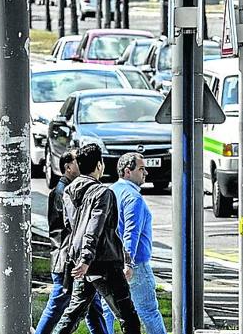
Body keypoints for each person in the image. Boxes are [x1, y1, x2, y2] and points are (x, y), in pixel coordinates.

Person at [53, 143, 141, 334]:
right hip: (104, 262)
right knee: (129, 318)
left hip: (81, 262)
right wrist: (87, 258)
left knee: (72, 315)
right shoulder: (104, 193)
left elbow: (71, 225)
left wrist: (84, 260)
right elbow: (95, 227)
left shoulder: (68, 191)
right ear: (100, 165)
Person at [35, 149, 108, 334]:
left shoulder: (70, 189)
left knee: (93, 308)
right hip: (67, 259)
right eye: (78, 162)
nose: (82, 165)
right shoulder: (64, 192)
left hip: (73, 258)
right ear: (68, 167)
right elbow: (71, 228)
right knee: (58, 304)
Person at [102, 153, 167, 334]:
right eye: (141, 169)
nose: (145, 172)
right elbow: (131, 233)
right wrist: (128, 263)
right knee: (148, 311)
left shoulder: (110, 192)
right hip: (135, 264)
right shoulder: (133, 198)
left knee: (108, 310)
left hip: (110, 261)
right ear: (127, 172)